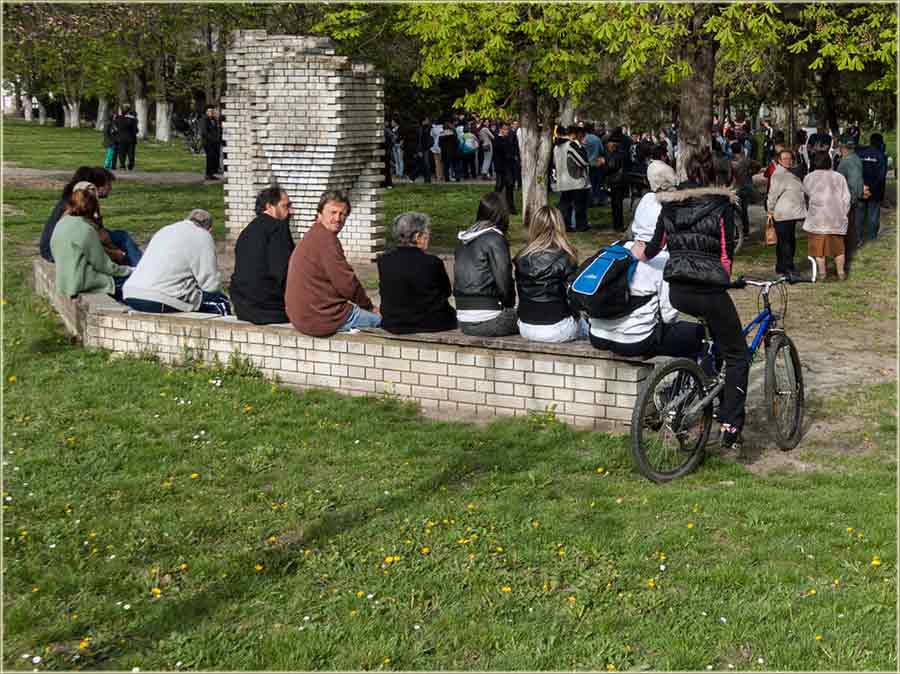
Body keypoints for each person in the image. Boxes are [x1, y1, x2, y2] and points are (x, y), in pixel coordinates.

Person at [639, 147, 747, 449]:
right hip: (708, 289)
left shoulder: (670, 203)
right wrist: (724, 281)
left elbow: (655, 245)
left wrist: (640, 253)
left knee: (712, 343)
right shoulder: (722, 204)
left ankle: (691, 385)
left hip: (678, 290)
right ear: (716, 174)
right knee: (738, 354)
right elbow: (726, 254)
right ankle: (730, 424)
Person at [590, 180, 704, 359]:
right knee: (698, 335)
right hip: (635, 340)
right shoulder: (663, 259)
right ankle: (692, 381)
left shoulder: (617, 246)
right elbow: (668, 315)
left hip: (597, 335)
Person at [285, 190, 380, 336]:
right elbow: (347, 284)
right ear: (319, 214)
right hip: (323, 318)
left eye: (343, 214)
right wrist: (369, 307)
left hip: (302, 317)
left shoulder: (313, 234)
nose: (338, 218)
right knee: (385, 321)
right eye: (333, 212)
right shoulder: (327, 241)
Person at [122, 209, 230, 315]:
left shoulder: (165, 230)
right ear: (209, 229)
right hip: (159, 298)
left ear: (187, 219)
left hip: (131, 293)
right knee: (221, 302)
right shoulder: (203, 235)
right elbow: (210, 283)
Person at [39, 166, 142, 266]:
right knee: (122, 237)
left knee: (118, 239)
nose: (111, 188)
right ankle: (141, 269)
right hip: (54, 251)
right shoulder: (80, 204)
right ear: (98, 186)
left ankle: (136, 267)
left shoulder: (74, 198)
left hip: (51, 248)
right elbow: (86, 237)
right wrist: (112, 252)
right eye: (108, 184)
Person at [514, 206, 586, 343]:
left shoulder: (521, 256)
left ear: (534, 226)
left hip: (525, 326)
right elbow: (576, 297)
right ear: (560, 225)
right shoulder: (567, 256)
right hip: (557, 327)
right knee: (587, 327)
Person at [49, 182, 131, 300]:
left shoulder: (61, 223)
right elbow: (103, 265)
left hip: (64, 281)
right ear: (92, 208)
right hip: (83, 282)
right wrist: (128, 271)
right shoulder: (85, 229)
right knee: (137, 282)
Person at [376, 212, 456, 334]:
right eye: (427, 236)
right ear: (417, 237)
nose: (428, 239)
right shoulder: (433, 262)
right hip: (432, 323)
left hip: (393, 322)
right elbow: (446, 292)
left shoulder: (384, 261)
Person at [454, 192, 517, 337]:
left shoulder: (463, 241)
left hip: (463, 318)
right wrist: (509, 307)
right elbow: (505, 284)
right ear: (502, 215)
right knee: (534, 320)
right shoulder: (495, 239)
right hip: (488, 318)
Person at [229, 187, 295, 324]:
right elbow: (284, 271)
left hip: (243, 307)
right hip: (270, 309)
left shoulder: (247, 231)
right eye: (286, 206)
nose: (291, 211)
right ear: (269, 206)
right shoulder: (278, 228)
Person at [802, 150, 851, 281]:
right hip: (836, 218)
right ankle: (841, 273)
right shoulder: (839, 177)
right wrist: (843, 213)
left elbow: (806, 195)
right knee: (839, 249)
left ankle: (822, 274)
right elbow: (846, 198)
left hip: (817, 219)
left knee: (819, 250)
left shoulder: (809, 177)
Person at [766, 150, 807, 275]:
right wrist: (770, 210)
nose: (788, 161)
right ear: (779, 160)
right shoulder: (779, 175)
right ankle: (788, 267)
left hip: (789, 213)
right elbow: (772, 195)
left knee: (785, 241)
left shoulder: (787, 173)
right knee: (787, 242)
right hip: (784, 214)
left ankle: (781, 266)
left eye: (790, 158)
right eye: (785, 159)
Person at [836, 135, 864, 276]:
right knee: (850, 232)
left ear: (843, 148)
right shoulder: (856, 158)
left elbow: (849, 183)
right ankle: (847, 261)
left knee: (845, 234)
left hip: (847, 201)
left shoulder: (847, 162)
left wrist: (849, 201)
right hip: (852, 200)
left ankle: (845, 263)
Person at [554, 126, 591, 232]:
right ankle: (581, 226)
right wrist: (582, 149)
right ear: (574, 134)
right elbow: (582, 161)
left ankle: (565, 226)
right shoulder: (571, 145)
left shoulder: (556, 147)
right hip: (576, 181)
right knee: (579, 205)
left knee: (565, 205)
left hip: (562, 180)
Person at [857, 133, 888, 244]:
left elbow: (856, 172)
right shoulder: (881, 155)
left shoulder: (860, 153)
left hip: (861, 189)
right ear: (880, 142)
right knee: (873, 216)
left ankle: (859, 238)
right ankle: (871, 239)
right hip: (875, 192)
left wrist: (863, 188)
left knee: (859, 215)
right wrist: (870, 189)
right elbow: (881, 176)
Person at [603, 129, 629, 232]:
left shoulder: (614, 155)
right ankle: (618, 225)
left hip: (616, 181)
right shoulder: (621, 153)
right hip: (620, 180)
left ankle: (618, 225)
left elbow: (610, 167)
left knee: (617, 205)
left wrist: (604, 164)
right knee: (617, 204)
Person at [729, 141, 754, 238]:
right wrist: (750, 173)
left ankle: (737, 233)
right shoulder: (746, 160)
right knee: (744, 211)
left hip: (735, 188)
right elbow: (757, 165)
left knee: (736, 212)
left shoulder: (730, 162)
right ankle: (746, 231)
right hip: (745, 186)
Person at [492, 123, 518, 215]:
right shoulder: (497, 139)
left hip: (509, 166)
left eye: (507, 129)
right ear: (500, 130)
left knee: (510, 186)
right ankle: (494, 207)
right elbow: (500, 150)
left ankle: (511, 208)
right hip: (501, 167)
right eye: (504, 129)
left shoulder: (510, 137)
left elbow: (513, 149)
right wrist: (502, 138)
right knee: (499, 187)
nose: (506, 131)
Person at [201, 106, 222, 181]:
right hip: (207, 142)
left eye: (212, 111)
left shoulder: (213, 119)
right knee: (210, 157)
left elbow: (217, 129)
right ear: (206, 112)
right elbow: (204, 132)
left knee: (214, 158)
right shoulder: (204, 119)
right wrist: (212, 139)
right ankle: (208, 174)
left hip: (214, 142)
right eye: (209, 111)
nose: (211, 113)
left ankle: (211, 174)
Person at [116, 104, 138, 171]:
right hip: (131, 139)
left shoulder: (118, 118)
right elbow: (136, 130)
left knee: (121, 153)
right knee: (131, 154)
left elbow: (116, 128)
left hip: (121, 139)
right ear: (129, 110)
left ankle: (122, 166)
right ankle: (130, 165)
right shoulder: (133, 119)